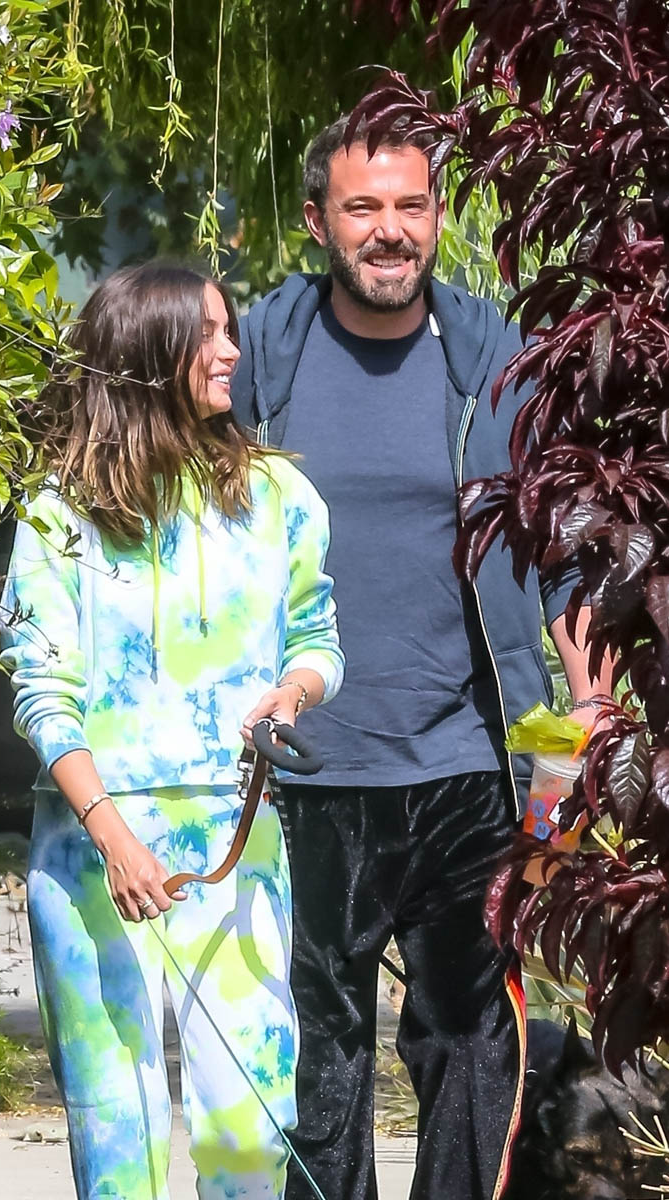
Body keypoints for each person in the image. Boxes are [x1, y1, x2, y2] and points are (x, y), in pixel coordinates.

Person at [231, 115, 613, 1200]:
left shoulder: (496, 360)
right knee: (324, 1053)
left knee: (468, 1042)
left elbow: (559, 546)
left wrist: (588, 711)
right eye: (363, 208)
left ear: (438, 216)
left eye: (411, 205)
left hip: (468, 763)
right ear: (319, 222)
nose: (390, 230)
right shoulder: (264, 353)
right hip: (307, 768)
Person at [0, 262, 344, 1200]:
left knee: (251, 1129)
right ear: (147, 353)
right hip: (92, 849)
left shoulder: (279, 496)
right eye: (208, 334)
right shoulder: (58, 515)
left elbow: (317, 639)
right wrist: (113, 838)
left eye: (230, 330)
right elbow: (42, 693)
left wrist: (292, 695)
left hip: (233, 841)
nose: (232, 352)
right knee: (121, 1135)